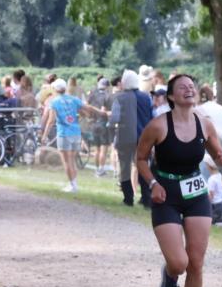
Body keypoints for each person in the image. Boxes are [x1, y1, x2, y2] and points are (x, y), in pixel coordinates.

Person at [135, 74, 222, 287]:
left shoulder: (205, 124)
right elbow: (141, 159)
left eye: (192, 86)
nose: (189, 90)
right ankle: (170, 275)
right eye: (182, 88)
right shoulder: (157, 126)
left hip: (196, 191)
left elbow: (217, 155)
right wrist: (153, 184)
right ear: (172, 97)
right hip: (165, 193)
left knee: (196, 262)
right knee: (179, 262)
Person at [40, 78, 109, 192]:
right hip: (76, 133)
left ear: (55, 89)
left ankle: (72, 185)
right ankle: (74, 184)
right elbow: (88, 107)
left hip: (63, 134)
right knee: (72, 160)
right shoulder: (73, 99)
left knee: (66, 161)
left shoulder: (54, 102)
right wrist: (101, 112)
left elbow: (51, 120)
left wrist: (44, 135)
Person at [111, 70, 154, 207]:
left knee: (125, 168)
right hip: (143, 137)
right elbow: (150, 117)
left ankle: (128, 198)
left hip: (125, 137)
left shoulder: (119, 97)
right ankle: (147, 199)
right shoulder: (146, 97)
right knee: (142, 166)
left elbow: (114, 118)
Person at [88, 78, 114, 176]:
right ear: (107, 86)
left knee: (96, 149)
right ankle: (101, 170)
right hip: (103, 123)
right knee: (103, 149)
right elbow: (108, 112)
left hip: (93, 123)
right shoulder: (108, 96)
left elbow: (87, 107)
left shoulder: (92, 94)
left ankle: (96, 168)